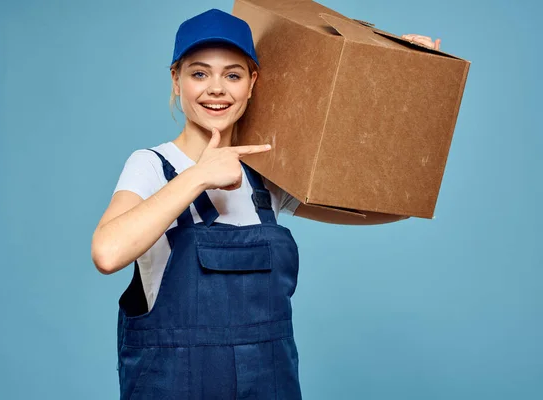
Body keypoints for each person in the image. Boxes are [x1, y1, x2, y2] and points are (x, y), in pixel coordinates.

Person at [91, 8, 441, 399]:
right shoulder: (152, 166)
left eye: (233, 75)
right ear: (176, 80)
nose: (216, 89)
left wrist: (408, 74)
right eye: (199, 73)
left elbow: (394, 206)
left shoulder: (267, 176)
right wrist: (199, 176)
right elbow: (107, 253)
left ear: (252, 83)